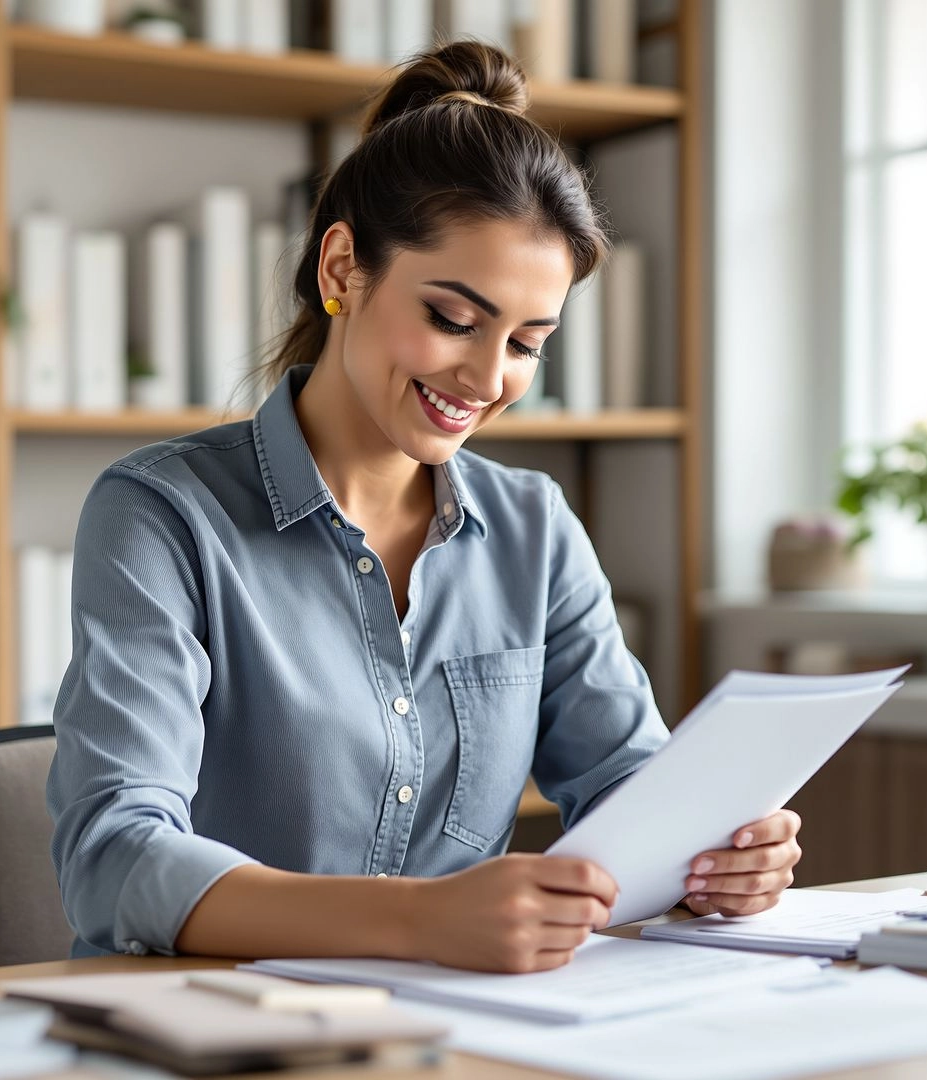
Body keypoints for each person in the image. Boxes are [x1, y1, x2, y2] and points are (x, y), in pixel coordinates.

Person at [47, 41, 801, 975]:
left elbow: (626, 790)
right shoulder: (162, 515)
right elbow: (114, 856)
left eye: (528, 342)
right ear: (341, 269)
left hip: (451, 1031)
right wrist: (419, 921)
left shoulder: (534, 530)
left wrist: (714, 855)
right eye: (453, 319)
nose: (487, 380)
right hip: (200, 1029)